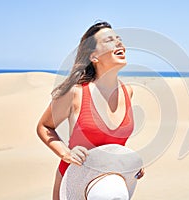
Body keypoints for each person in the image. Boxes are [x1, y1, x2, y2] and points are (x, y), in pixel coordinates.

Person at [36, 21, 144, 200]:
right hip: (75, 183)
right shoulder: (75, 92)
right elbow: (44, 126)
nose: (119, 43)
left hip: (110, 186)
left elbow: (114, 144)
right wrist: (65, 153)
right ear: (93, 56)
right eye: (109, 40)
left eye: (119, 39)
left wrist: (130, 163)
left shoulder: (128, 92)